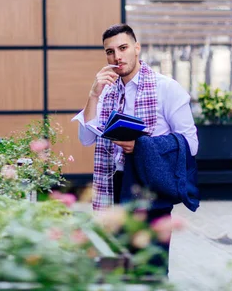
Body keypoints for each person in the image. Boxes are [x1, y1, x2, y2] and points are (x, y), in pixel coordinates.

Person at [71, 23, 199, 274]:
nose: (117, 57)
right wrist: (93, 95)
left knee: (151, 266)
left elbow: (191, 143)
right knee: (116, 265)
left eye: (123, 48)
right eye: (109, 52)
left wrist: (141, 146)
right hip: (114, 184)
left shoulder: (166, 87)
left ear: (137, 48)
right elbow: (86, 138)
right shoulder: (106, 92)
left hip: (150, 184)